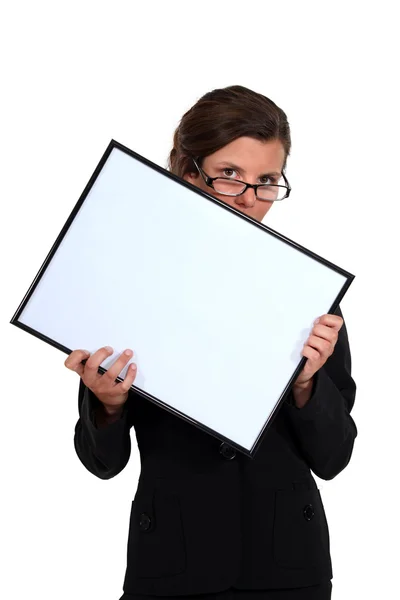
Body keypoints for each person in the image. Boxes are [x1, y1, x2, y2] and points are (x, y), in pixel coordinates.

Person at [66, 85, 357, 600]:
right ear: (184, 170)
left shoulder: (309, 295)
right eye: (230, 175)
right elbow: (101, 463)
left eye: (266, 181)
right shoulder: (128, 285)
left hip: (288, 567)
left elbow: (333, 458)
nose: (249, 198)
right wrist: (107, 406)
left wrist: (308, 384)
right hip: (173, 565)